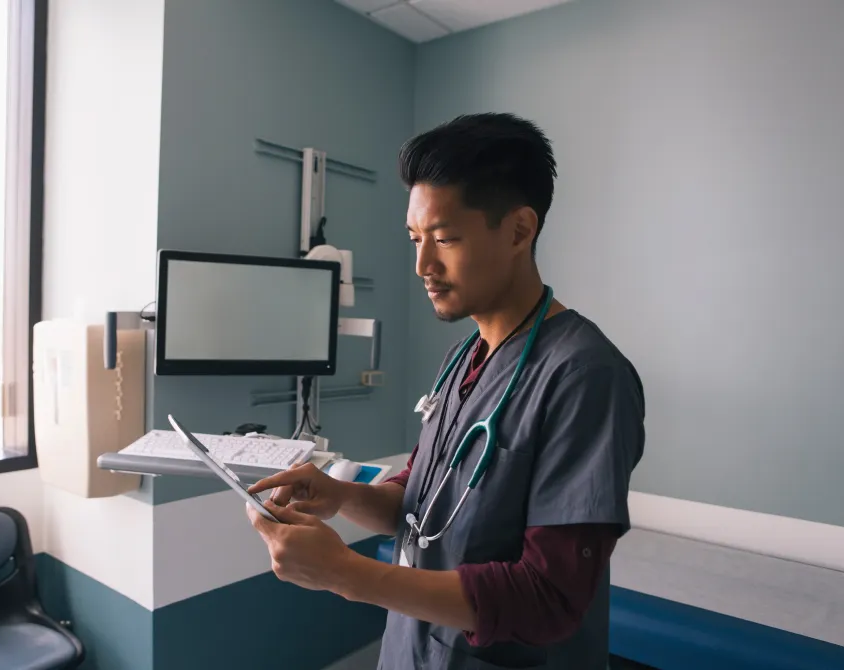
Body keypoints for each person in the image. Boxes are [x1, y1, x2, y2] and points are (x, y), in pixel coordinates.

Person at [245, 112, 645, 669]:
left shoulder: (584, 375)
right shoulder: (464, 357)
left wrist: (343, 573)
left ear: (519, 230)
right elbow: (423, 504)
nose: (422, 265)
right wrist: (343, 497)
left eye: (445, 239)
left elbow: (550, 599)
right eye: (414, 239)